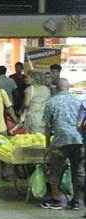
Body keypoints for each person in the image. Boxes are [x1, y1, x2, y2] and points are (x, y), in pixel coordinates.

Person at [41, 78, 84, 211]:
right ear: (68, 88)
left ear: (56, 88)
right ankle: (76, 201)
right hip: (79, 141)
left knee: (55, 170)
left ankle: (56, 200)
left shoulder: (51, 102)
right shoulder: (78, 102)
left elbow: (47, 127)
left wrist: (48, 146)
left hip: (60, 142)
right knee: (77, 172)